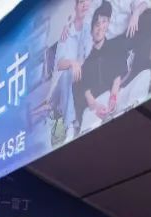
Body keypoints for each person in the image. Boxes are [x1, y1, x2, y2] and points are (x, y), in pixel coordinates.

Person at [75, 2, 151, 134]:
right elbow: (85, 90)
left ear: (108, 24)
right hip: (99, 103)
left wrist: (113, 97)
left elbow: (117, 76)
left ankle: (128, 112)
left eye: (104, 23)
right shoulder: (86, 60)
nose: (100, 28)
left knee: (145, 75)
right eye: (97, 25)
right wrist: (96, 106)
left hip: (116, 95)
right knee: (88, 116)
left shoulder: (113, 47)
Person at [48, 0, 94, 139]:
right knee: (69, 73)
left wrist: (79, 64)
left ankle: (74, 121)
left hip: (79, 79)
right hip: (60, 86)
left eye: (87, 2)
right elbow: (60, 64)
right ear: (75, 6)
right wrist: (73, 63)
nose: (85, 4)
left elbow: (90, 56)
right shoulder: (66, 31)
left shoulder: (88, 29)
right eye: (81, 2)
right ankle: (70, 126)